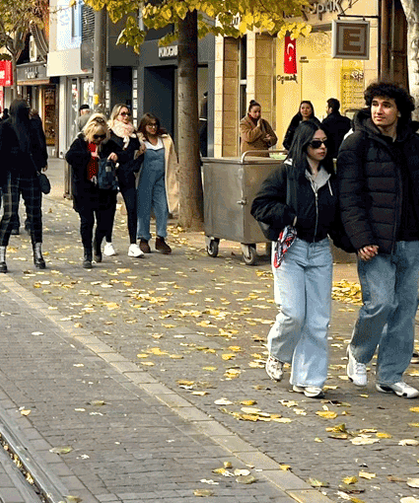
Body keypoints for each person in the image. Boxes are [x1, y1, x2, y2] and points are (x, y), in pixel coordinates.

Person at [251, 121, 352, 398]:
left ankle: (310, 379)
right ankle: (277, 351)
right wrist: (291, 216)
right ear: (303, 145)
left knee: (318, 320)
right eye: (315, 144)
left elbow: (338, 218)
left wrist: (357, 243)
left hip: (320, 250)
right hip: (291, 248)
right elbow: (259, 205)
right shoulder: (286, 173)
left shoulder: (331, 178)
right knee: (294, 313)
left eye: (324, 143)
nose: (322, 148)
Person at [338, 81, 419, 399]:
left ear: (399, 110)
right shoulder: (356, 144)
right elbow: (349, 197)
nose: (379, 110)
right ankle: (357, 354)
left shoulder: (413, 144)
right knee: (380, 303)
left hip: (411, 240)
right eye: (374, 104)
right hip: (376, 242)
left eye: (386, 104)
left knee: (405, 310)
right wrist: (361, 238)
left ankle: (390, 375)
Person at [65, 113, 120, 268]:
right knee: (87, 222)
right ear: (89, 133)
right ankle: (87, 253)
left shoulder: (108, 144)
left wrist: (117, 155)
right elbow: (70, 157)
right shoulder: (81, 143)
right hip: (85, 189)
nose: (99, 140)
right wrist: (89, 155)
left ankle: (97, 243)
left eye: (102, 137)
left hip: (105, 189)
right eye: (96, 137)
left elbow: (123, 153)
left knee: (105, 222)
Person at [0, 99, 48, 273]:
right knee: (10, 213)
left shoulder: (33, 125)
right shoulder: (5, 127)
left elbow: (41, 146)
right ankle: (2, 255)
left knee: (35, 214)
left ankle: (38, 252)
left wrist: (41, 162)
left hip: (30, 174)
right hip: (12, 174)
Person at [136, 113, 179, 254]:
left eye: (155, 125)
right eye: (150, 125)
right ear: (144, 126)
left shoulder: (165, 140)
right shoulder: (139, 140)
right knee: (144, 208)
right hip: (144, 178)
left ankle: (161, 238)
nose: (153, 128)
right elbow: (133, 157)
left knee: (163, 207)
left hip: (162, 179)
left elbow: (172, 160)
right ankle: (143, 238)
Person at [107, 104, 144, 258]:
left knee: (132, 207)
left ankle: (133, 244)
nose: (126, 117)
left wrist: (136, 162)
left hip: (127, 174)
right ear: (116, 115)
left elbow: (137, 154)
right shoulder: (110, 133)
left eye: (128, 114)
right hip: (112, 174)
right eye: (122, 114)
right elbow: (103, 151)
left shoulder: (134, 135)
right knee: (108, 210)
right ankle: (108, 243)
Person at [199, 91, 208, 157]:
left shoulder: (202, 100)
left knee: (202, 139)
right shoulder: (206, 101)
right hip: (205, 121)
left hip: (202, 121)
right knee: (202, 139)